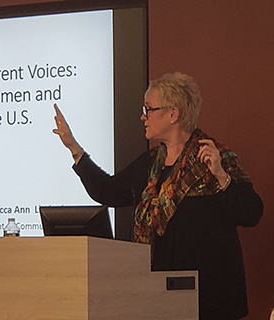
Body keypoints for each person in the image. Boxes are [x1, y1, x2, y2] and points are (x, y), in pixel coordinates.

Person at [52, 72, 263, 320]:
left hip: (211, 301)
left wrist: (220, 176)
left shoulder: (214, 158)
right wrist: (74, 148)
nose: (143, 116)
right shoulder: (150, 164)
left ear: (173, 114)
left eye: (149, 109)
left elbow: (252, 213)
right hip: (159, 298)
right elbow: (108, 191)